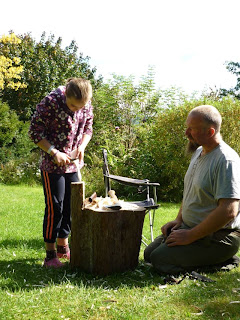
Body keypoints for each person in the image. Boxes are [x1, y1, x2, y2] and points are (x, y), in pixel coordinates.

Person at [144, 105, 240, 274]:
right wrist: (179, 220)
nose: (186, 133)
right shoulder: (198, 152)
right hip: (190, 229)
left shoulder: (226, 160)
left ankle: (224, 259)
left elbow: (229, 211)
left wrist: (190, 236)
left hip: (218, 237)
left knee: (160, 259)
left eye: (191, 129)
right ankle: (203, 256)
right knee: (149, 254)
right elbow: (191, 191)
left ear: (210, 132)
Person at [29, 78, 93, 268]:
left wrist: (81, 146)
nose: (76, 110)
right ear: (65, 93)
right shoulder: (50, 102)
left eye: (80, 106)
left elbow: (88, 128)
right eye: (73, 105)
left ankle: (63, 248)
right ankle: (50, 255)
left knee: (71, 206)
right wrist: (54, 152)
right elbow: (34, 132)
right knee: (55, 207)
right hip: (52, 165)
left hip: (73, 165)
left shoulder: (85, 103)